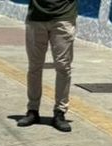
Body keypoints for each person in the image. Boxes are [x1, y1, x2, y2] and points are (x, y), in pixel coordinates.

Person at [15, 0, 78, 132]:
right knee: (34, 67)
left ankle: (60, 112)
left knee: (63, 67)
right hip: (36, 18)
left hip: (63, 17)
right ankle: (32, 110)